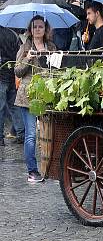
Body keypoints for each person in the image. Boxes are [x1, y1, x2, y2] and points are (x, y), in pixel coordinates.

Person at [14, 16, 57, 182]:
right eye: (34, 27)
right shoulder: (25, 47)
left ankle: (50, 167)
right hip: (28, 96)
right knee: (31, 135)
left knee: (49, 133)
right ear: (30, 30)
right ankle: (32, 171)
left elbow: (57, 68)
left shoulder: (51, 46)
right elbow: (17, 71)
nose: (37, 29)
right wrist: (28, 58)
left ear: (45, 29)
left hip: (46, 94)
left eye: (40, 26)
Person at [0, 25, 23, 146]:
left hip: (1, 75)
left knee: (1, 108)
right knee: (14, 106)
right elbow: (19, 53)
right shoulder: (12, 33)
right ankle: (21, 134)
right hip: (12, 75)